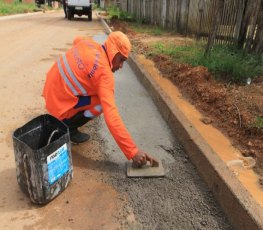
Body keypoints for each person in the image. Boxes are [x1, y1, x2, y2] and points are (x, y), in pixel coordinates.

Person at [42, 31, 158, 168]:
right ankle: (68, 127)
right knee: (101, 105)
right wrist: (133, 151)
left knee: (98, 96)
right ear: (114, 52)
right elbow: (112, 116)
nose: (121, 66)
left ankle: (67, 121)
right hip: (58, 105)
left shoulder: (89, 43)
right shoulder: (104, 74)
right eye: (121, 60)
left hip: (50, 90)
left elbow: (76, 39)